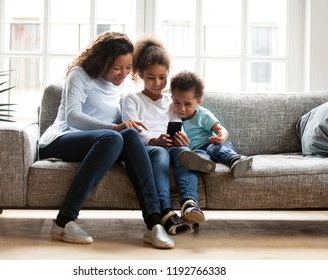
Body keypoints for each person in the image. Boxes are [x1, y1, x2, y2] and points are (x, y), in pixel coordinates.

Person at [38, 31, 174, 249]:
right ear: (102, 62)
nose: (123, 74)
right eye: (117, 68)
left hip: (107, 142)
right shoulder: (79, 75)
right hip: (63, 137)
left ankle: (154, 224)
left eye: (128, 68)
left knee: (127, 135)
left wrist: (151, 137)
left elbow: (127, 125)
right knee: (114, 137)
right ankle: (63, 222)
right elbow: (72, 116)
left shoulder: (123, 86)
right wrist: (114, 128)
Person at [122, 38, 206, 233]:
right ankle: (166, 212)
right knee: (160, 153)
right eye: (151, 77)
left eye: (162, 77)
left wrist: (182, 138)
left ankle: (189, 203)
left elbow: (178, 126)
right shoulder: (132, 99)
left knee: (185, 153)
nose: (157, 83)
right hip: (146, 149)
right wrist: (154, 141)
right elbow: (132, 131)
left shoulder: (172, 102)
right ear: (141, 74)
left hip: (170, 146)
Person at [170, 71, 253, 178]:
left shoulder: (202, 114)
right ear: (172, 98)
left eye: (187, 104)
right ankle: (205, 164)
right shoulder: (171, 117)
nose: (182, 108)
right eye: (177, 103)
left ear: (198, 101)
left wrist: (221, 137)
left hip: (213, 145)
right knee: (198, 154)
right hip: (196, 151)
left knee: (213, 149)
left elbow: (221, 130)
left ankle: (237, 160)